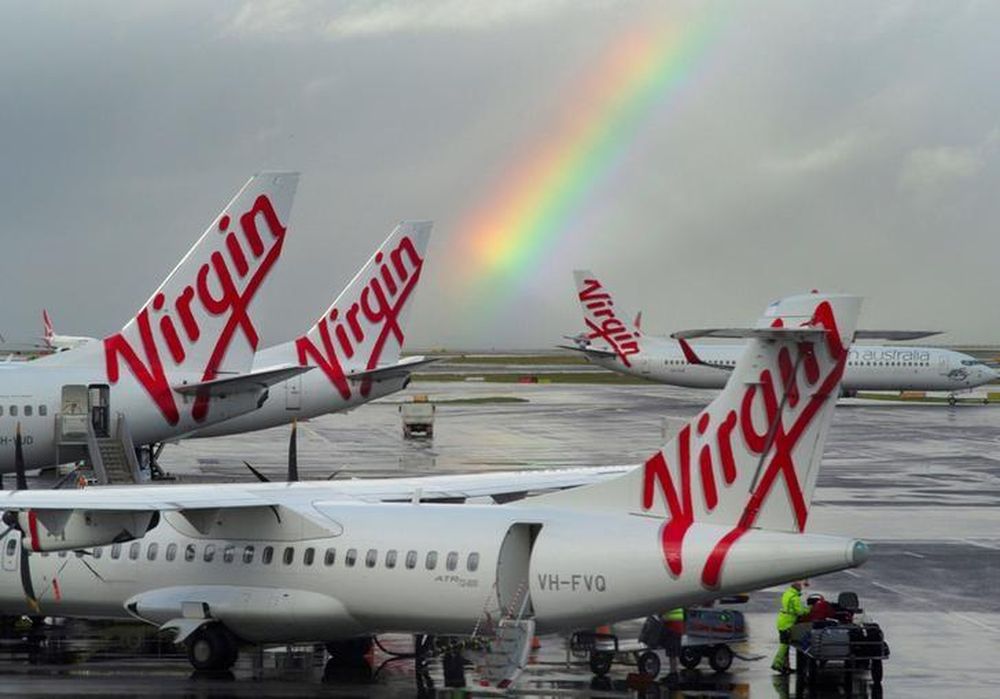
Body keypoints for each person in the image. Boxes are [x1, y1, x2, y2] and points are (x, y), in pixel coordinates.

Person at [771, 580, 809, 674]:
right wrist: (809, 609)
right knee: (784, 644)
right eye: (800, 586)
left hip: (782, 621)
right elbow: (800, 611)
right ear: (797, 587)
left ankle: (785, 666)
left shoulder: (787, 593)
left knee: (785, 645)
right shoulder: (795, 597)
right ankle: (777, 664)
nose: (801, 587)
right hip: (788, 623)